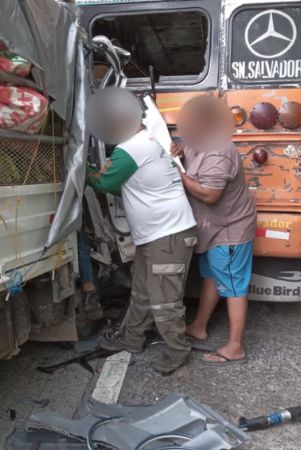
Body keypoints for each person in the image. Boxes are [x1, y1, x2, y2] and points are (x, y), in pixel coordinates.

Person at [85, 87, 198, 375]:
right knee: (142, 292)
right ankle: (132, 340)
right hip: (157, 233)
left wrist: (82, 168)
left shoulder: (131, 148)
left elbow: (104, 183)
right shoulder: (148, 138)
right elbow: (130, 186)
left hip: (167, 235)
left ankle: (178, 351)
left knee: (164, 301)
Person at [172, 96, 256, 366]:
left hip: (230, 229)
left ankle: (235, 346)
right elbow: (189, 155)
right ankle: (199, 326)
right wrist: (179, 153)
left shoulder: (219, 151)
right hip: (212, 229)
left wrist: (180, 176)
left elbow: (210, 195)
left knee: (233, 286)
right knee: (211, 276)